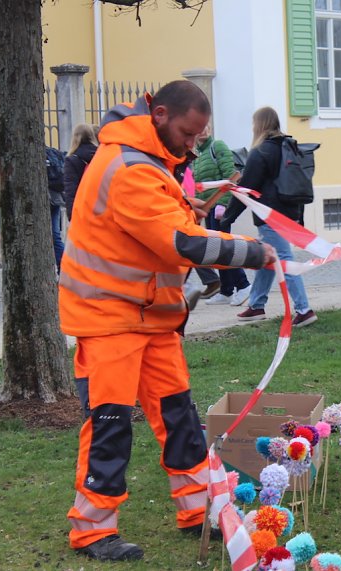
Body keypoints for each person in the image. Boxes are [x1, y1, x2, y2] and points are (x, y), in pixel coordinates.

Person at [59, 80, 276, 562]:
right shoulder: (132, 167)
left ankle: (198, 510)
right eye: (188, 133)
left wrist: (186, 210)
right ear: (158, 115)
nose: (192, 145)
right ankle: (92, 530)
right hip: (109, 318)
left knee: (179, 417)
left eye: (199, 137)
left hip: (149, 317)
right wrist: (255, 253)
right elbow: (179, 242)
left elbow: (161, 228)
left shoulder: (147, 162)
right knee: (110, 424)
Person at [220, 106, 318, 327]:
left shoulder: (261, 152)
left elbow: (246, 187)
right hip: (290, 212)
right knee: (268, 258)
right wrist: (299, 216)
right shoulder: (289, 147)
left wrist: (228, 217)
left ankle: (304, 310)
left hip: (270, 215)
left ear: (259, 124)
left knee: (283, 260)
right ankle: (256, 305)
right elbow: (300, 181)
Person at [191, 124, 252, 307]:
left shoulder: (217, 146)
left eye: (205, 126)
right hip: (207, 208)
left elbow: (230, 177)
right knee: (217, 251)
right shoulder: (198, 156)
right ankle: (226, 291)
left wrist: (223, 205)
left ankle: (243, 285)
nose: (202, 129)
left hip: (219, 208)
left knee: (225, 249)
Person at [62, 123, 99, 221]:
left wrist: (71, 216)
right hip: (101, 207)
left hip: (83, 209)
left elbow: (71, 190)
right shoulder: (101, 155)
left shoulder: (72, 160)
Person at [46, 146, 66, 272]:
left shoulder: (37, 155)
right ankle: (64, 267)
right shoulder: (52, 153)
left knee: (54, 236)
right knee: (56, 236)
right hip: (56, 199)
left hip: (47, 198)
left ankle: (64, 267)